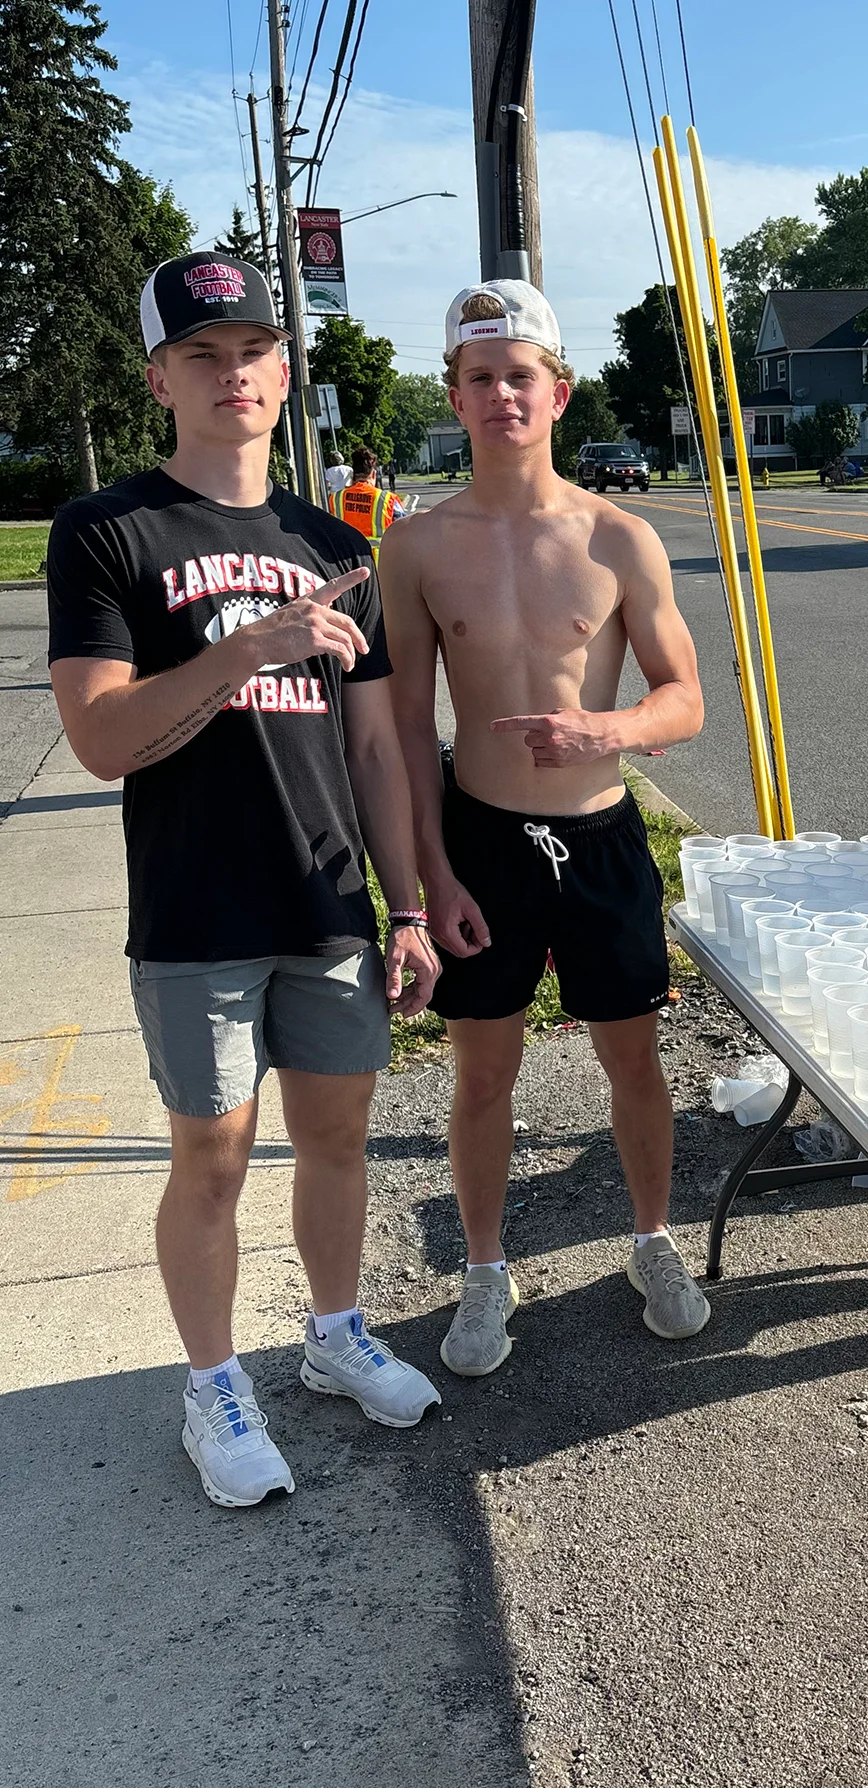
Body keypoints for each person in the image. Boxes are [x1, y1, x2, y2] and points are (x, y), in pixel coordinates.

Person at [46, 252, 444, 1509]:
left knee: (337, 1143)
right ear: (161, 376)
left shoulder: (334, 542)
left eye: (256, 353)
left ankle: (333, 1332)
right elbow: (104, 741)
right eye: (205, 356)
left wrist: (414, 901)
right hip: (196, 911)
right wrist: (251, 648)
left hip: (326, 906)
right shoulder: (108, 532)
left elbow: (377, 745)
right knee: (212, 1164)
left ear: (285, 372)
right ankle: (213, 1383)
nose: (236, 376)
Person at [381, 279, 710, 1375]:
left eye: (520, 376)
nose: (501, 395)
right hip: (483, 844)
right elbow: (399, 733)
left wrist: (601, 729)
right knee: (484, 1076)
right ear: (456, 396)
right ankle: (484, 1272)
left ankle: (652, 1243)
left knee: (635, 1064)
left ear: (557, 392)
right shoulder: (420, 549)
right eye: (479, 378)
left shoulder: (621, 537)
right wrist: (425, 887)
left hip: (604, 841)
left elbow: (685, 700)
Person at [331, 444, 406, 560]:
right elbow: (404, 531)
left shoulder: (335, 499)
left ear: (353, 475)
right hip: (380, 566)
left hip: (345, 564)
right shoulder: (388, 499)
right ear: (374, 474)